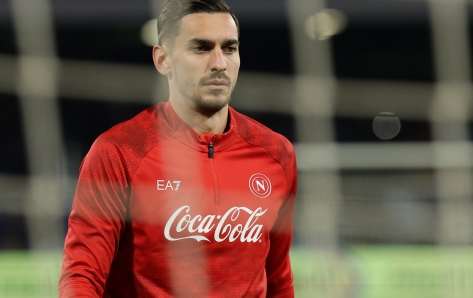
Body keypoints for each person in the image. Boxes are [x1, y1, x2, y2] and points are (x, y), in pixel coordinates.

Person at [58, 0, 297, 297]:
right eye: (201, 48)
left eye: (229, 48)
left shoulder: (276, 153)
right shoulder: (119, 152)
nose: (219, 63)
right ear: (162, 60)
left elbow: (278, 280)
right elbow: (82, 276)